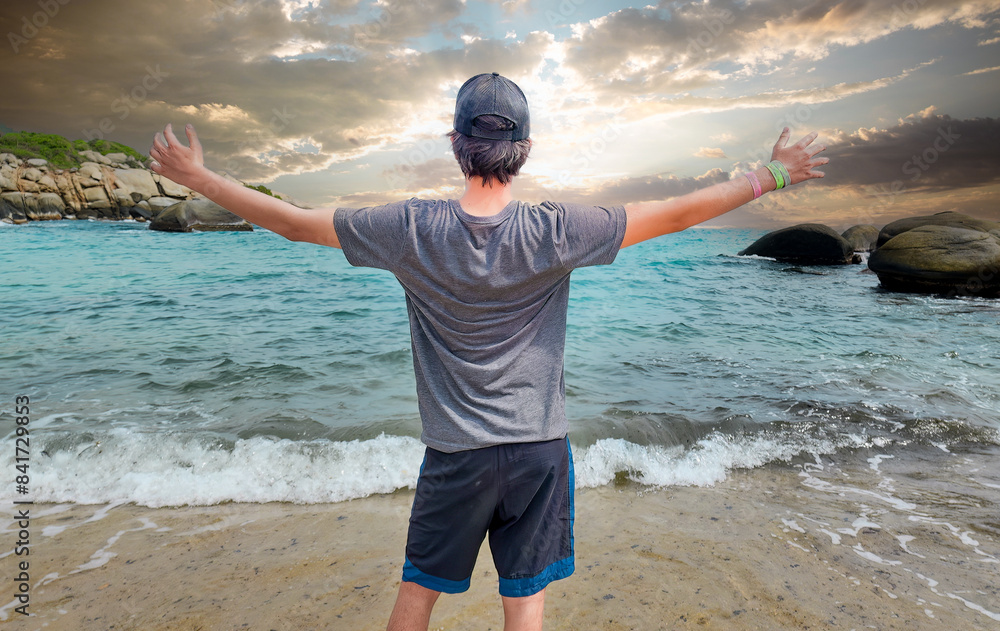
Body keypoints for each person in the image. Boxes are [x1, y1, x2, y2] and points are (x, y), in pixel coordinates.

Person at [149, 71, 827, 631]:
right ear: (524, 148)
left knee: (415, 598)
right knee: (524, 611)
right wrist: (772, 173)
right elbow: (679, 213)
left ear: (456, 143)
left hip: (456, 456)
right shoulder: (558, 229)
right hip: (537, 450)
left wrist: (199, 178)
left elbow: (295, 224)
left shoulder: (409, 228)